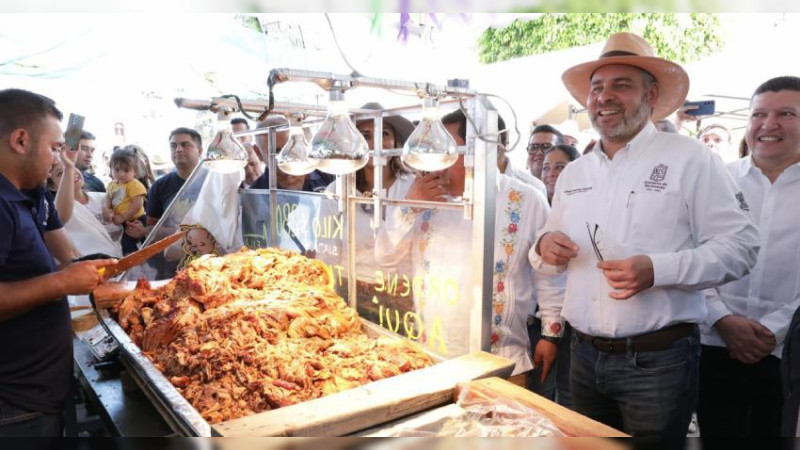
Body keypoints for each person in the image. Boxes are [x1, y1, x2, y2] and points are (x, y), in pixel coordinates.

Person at [531, 32, 759, 437]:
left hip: (659, 362)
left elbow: (741, 247)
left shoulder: (691, 159)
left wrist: (658, 269)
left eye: (622, 85)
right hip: (581, 356)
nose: (604, 97)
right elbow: (548, 244)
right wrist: (544, 246)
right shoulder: (575, 172)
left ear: (651, 95)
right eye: (597, 87)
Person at [380, 109, 565, 383]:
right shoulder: (423, 198)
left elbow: (548, 273)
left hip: (504, 360)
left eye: (449, 152)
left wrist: (550, 333)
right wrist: (409, 208)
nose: (438, 164)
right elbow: (384, 257)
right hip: (433, 355)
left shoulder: (526, 199)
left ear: (481, 151)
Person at [0, 88, 115, 436]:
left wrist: (92, 270)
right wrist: (62, 283)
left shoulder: (29, 193)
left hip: (41, 393)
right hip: (14, 405)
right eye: (53, 148)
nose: (57, 159)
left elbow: (67, 253)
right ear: (21, 140)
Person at [699, 76, 800, 438]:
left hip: (788, 355)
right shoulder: (717, 181)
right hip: (713, 346)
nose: (769, 125)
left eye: (786, 113)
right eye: (759, 114)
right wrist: (723, 318)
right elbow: (690, 254)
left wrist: (774, 330)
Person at [48, 149, 122, 258]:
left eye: (72, 166)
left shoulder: (104, 198)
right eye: (60, 173)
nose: (70, 173)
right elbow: (59, 217)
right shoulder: (56, 211)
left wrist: (138, 232)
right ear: (52, 186)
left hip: (126, 263)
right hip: (95, 269)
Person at [250, 115, 334, 192]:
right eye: (277, 151)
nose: (285, 156)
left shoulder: (324, 174)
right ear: (258, 153)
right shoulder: (255, 194)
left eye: (290, 147)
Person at [104, 147, 147, 254]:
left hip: (136, 219)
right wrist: (109, 210)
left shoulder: (134, 184)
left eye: (126, 170)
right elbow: (109, 199)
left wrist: (123, 217)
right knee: (123, 243)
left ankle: (140, 263)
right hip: (120, 220)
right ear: (111, 169)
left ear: (135, 171)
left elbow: (137, 204)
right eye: (117, 170)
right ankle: (132, 262)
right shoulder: (111, 185)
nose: (121, 174)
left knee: (137, 242)